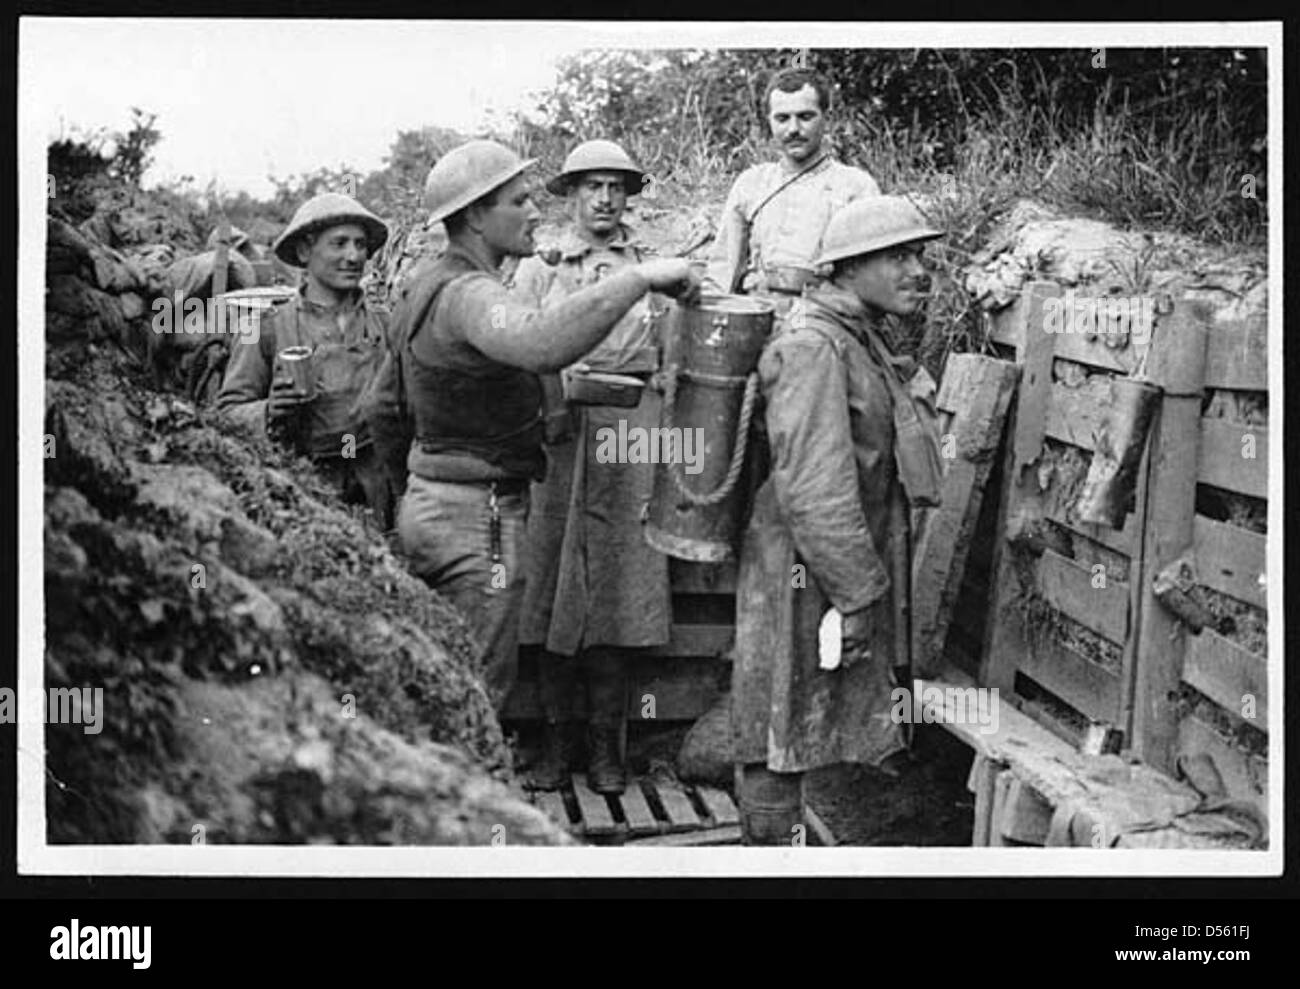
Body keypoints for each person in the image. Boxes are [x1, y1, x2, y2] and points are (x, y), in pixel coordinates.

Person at [382, 139, 699, 714]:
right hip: (482, 524)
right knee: (479, 693)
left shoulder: (420, 289)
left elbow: (380, 409)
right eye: (519, 200)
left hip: (433, 505)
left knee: (446, 684)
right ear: (476, 215)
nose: (534, 213)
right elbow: (541, 342)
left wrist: (416, 494)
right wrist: (641, 278)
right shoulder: (470, 294)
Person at [731, 195, 946, 844]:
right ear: (847, 269)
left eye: (921, 254)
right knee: (783, 723)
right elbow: (816, 485)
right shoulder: (814, 347)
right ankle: (768, 852)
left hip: (827, 563)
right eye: (898, 255)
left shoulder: (859, 340)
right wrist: (855, 594)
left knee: (801, 719)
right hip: (804, 566)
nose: (919, 270)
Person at [510, 140, 672, 794]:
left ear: (629, 195)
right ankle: (552, 742)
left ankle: (607, 748)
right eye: (590, 186)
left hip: (631, 438)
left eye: (616, 186)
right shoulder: (540, 270)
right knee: (550, 589)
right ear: (569, 195)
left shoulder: (653, 270)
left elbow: (674, 353)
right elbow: (520, 352)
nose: (604, 199)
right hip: (558, 436)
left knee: (617, 592)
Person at [217, 192, 400, 530]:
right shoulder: (265, 329)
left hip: (378, 484)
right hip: (305, 488)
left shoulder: (385, 324)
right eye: (339, 243)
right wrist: (270, 410)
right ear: (304, 252)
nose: (353, 256)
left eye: (360, 245)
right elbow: (227, 414)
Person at [704, 66, 881, 312]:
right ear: (769, 122)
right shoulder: (751, 184)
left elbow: (870, 277)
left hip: (826, 318)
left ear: (826, 118)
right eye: (782, 118)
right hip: (756, 312)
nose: (793, 129)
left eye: (805, 117)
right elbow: (723, 271)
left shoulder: (856, 186)